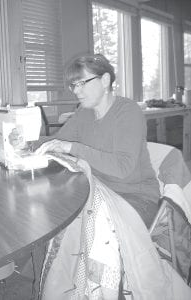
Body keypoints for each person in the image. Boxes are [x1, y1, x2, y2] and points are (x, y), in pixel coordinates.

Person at [35, 53, 160, 229]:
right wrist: (26, 142)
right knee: (53, 211)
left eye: (82, 83)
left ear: (105, 80)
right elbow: (57, 140)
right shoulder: (84, 113)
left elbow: (122, 167)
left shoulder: (127, 112)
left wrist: (73, 147)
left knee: (87, 228)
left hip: (136, 198)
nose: (76, 91)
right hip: (98, 190)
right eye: (73, 85)